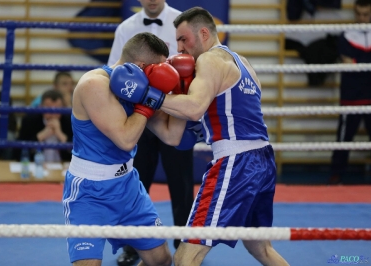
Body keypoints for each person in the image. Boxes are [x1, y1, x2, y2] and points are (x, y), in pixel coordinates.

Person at [113, 7, 289, 266]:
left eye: (184, 39)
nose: (180, 47)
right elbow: (173, 137)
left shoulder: (209, 60)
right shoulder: (245, 64)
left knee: (185, 257)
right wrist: (141, 109)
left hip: (235, 162)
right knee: (261, 249)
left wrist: (148, 95)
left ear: (204, 32)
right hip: (262, 160)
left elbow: (194, 108)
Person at [63, 32, 190, 266]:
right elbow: (125, 139)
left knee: (161, 260)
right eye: (158, 69)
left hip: (128, 188)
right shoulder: (94, 84)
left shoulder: (140, 91)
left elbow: (172, 136)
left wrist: (183, 88)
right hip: (89, 193)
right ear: (142, 67)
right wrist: (146, 103)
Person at [108, 1, 195, 265]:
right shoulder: (126, 28)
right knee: (136, 183)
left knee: (181, 184)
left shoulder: (182, 22)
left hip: (174, 114)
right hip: (138, 117)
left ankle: (185, 247)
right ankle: (133, 247)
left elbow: (197, 64)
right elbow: (114, 69)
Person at [329, 0, 371, 185]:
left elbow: (354, 63)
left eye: (366, 14)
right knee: (343, 139)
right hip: (351, 96)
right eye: (359, 14)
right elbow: (348, 64)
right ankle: (336, 176)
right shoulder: (346, 35)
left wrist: (357, 62)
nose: (362, 18)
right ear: (354, 13)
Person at [15, 89, 73, 162]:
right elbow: (18, 152)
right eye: (49, 108)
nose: (53, 113)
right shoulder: (30, 120)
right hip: (37, 167)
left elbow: (79, 151)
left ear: (63, 108)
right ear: (40, 107)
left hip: (63, 168)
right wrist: (40, 136)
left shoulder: (70, 121)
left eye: (57, 109)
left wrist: (60, 135)